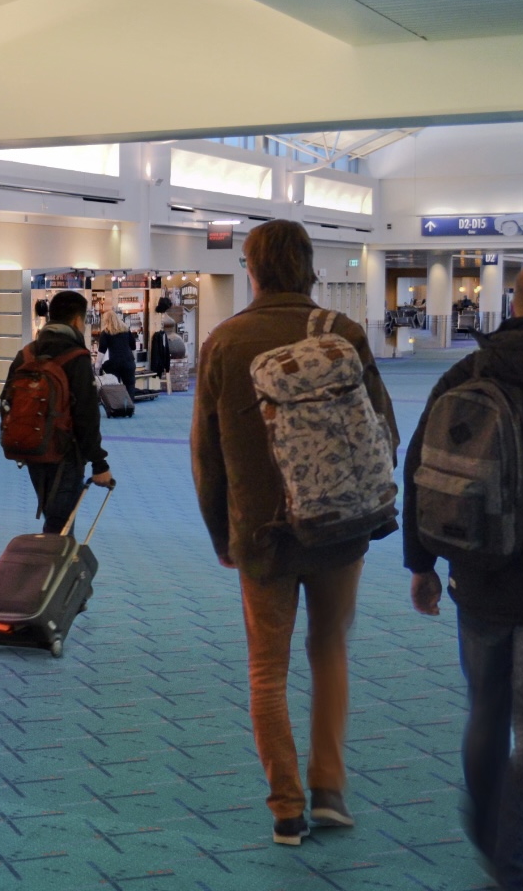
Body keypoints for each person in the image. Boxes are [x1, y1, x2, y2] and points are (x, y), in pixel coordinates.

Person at [190, 219, 398, 846]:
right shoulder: (344, 333)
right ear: (310, 267)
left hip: (263, 534)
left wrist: (222, 535)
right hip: (341, 529)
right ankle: (329, 788)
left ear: (249, 269)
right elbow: (383, 429)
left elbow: (207, 455)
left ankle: (286, 807)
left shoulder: (225, 341)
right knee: (329, 651)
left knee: (266, 672)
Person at [404, 259, 523, 891]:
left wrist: (422, 564)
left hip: (480, 577)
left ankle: (489, 829)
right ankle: (515, 870)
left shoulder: (471, 371)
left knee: (486, 713)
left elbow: (422, 468)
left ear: (512, 306)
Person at [4, 289, 113, 532]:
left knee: (54, 517)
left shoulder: (26, 354)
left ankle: (54, 565)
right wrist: (99, 463)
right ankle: (48, 569)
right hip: (65, 455)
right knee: (60, 527)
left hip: (32, 448)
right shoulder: (76, 357)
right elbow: (87, 415)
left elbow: (6, 401)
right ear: (77, 320)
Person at [97, 309, 137, 400]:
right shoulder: (126, 330)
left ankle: (117, 407)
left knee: (114, 387)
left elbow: (101, 350)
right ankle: (129, 408)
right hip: (128, 362)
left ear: (106, 321)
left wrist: (97, 365)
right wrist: (133, 359)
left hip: (114, 363)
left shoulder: (106, 333)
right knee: (130, 386)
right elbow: (133, 345)